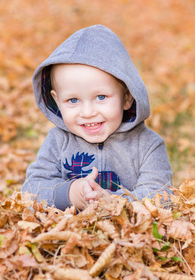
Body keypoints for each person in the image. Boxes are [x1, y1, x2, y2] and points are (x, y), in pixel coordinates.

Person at [22, 25, 172, 211]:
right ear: (57, 100)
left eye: (101, 97)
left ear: (127, 97)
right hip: (71, 236)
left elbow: (161, 195)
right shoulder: (58, 141)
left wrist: (115, 201)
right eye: (73, 100)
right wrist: (70, 193)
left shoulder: (148, 145)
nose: (87, 112)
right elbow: (30, 191)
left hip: (131, 237)